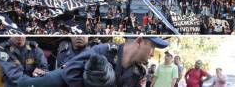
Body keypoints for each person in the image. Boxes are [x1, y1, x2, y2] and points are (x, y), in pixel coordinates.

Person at [17, 37, 169, 87]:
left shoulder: (140, 72)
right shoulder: (104, 51)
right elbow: (69, 72)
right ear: (140, 41)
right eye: (152, 47)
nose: (153, 53)